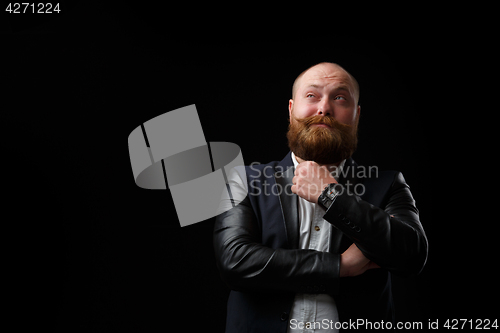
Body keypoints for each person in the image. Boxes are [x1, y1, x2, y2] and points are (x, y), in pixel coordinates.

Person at [213, 62, 428, 332]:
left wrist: (331, 195)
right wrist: (340, 266)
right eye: (312, 96)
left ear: (356, 115)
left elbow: (412, 255)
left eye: (340, 98)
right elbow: (235, 262)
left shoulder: (387, 185)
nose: (324, 108)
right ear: (291, 110)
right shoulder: (243, 180)